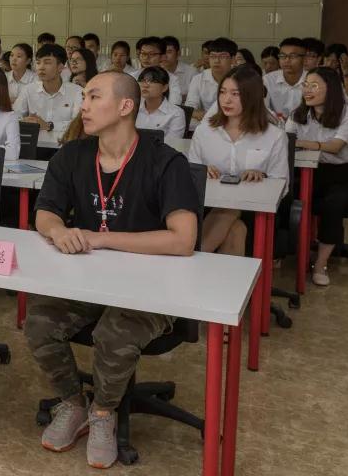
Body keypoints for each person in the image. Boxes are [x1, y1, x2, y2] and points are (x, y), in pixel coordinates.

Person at [25, 71, 199, 469]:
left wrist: (101, 238)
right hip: (88, 280)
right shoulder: (72, 155)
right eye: (84, 97)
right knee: (39, 321)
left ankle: (104, 412)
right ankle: (73, 403)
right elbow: (45, 213)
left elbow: (183, 239)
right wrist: (58, 231)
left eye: (93, 97)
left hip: (153, 285)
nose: (83, 106)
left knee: (113, 332)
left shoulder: (165, 162)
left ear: (125, 106)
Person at [188, 66, 288, 255]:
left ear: (252, 97)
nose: (226, 100)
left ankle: (191, 257)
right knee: (236, 228)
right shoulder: (204, 131)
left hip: (256, 211)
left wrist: (262, 175)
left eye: (235, 94)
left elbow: (282, 184)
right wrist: (203, 171)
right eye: (223, 92)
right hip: (208, 206)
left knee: (231, 212)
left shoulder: (274, 135)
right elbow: (190, 174)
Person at [286, 67, 348, 286]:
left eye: (314, 86)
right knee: (283, 195)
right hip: (311, 170)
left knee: (333, 204)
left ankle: (320, 263)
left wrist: (301, 143)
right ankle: (283, 251)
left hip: (347, 174)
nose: (307, 90)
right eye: (305, 85)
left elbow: (335, 146)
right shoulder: (298, 114)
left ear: (331, 89)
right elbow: (285, 142)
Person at [14, 44, 83, 134]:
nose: (41, 67)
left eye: (47, 63)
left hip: (65, 142)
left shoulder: (77, 92)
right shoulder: (28, 90)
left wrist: (49, 125)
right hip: (35, 141)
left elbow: (78, 123)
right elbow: (14, 116)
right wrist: (24, 121)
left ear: (60, 67)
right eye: (38, 63)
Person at [186, 37, 237, 121]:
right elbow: (190, 106)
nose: (216, 61)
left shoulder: (241, 79)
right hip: (207, 120)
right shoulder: (198, 79)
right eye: (213, 56)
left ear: (233, 59)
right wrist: (198, 113)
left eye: (222, 56)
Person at [135, 66, 186, 140]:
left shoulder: (176, 113)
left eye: (152, 81)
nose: (145, 85)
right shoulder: (133, 109)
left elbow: (172, 143)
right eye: (142, 81)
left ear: (164, 88)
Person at [263, 37, 306, 121]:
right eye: (282, 56)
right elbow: (263, 109)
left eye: (292, 56)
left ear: (304, 59)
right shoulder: (268, 80)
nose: (287, 60)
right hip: (275, 125)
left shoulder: (312, 80)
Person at [134, 37, 181, 104]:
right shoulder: (132, 77)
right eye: (143, 53)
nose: (146, 58)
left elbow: (175, 105)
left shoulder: (172, 79)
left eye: (151, 54)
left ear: (163, 57)